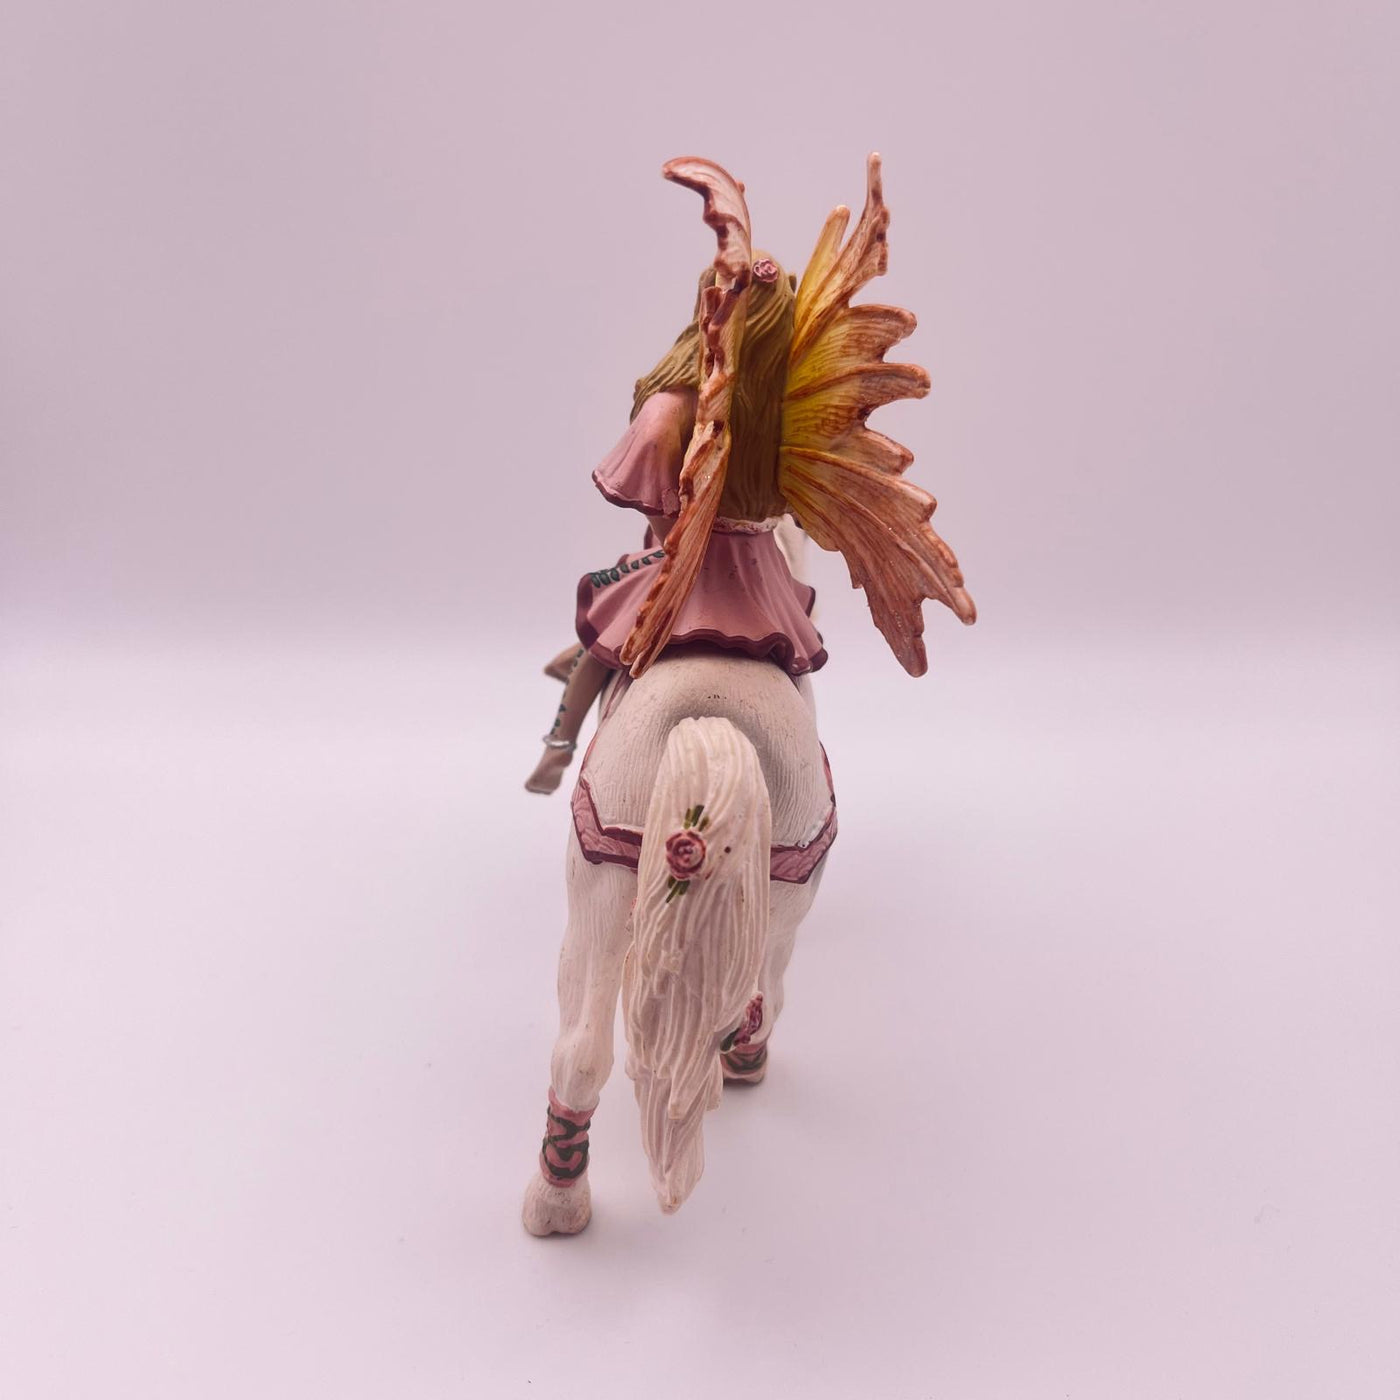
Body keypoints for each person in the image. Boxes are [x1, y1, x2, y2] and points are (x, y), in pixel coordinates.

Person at [524, 259, 826, 795]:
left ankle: (559, 745)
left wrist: (674, 535)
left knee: (606, 609)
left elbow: (649, 478)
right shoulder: (789, 408)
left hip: (690, 565)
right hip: (762, 575)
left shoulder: (674, 402)